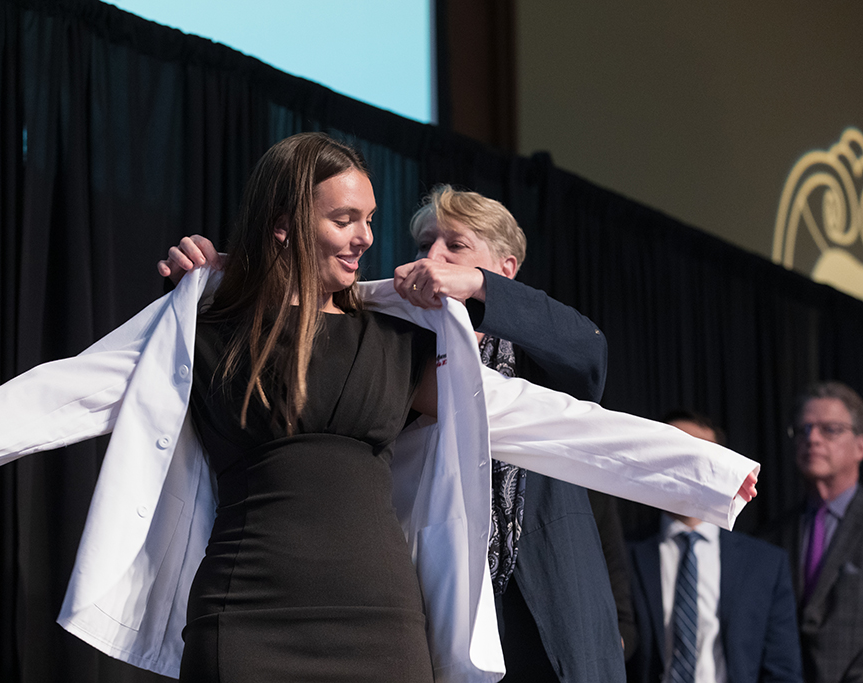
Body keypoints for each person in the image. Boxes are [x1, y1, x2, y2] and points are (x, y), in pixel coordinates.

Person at [0, 132, 760, 683]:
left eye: (368, 218)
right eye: (345, 219)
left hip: (380, 626)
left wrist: (711, 472)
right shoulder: (207, 323)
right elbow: (70, 387)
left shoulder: (403, 336)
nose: (367, 235)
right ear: (286, 221)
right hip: (248, 617)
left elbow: (557, 421)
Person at [161, 184, 634, 682]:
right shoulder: (398, 344)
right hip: (441, 609)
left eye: (455, 245)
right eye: (424, 244)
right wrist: (222, 276)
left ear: (505, 268)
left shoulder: (538, 362)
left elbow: (589, 351)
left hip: (546, 611)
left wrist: (477, 287)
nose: (433, 257)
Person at [627, 410, 802, 683]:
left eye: (699, 453)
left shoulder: (764, 563)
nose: (686, 463)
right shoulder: (625, 553)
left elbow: (782, 669)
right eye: (674, 450)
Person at [765, 382, 863, 683]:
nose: (812, 439)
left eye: (829, 429)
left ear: (860, 445)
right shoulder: (771, 536)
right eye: (803, 429)